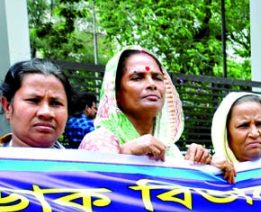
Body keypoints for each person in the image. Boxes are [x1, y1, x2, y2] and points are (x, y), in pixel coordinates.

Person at [79, 47, 210, 164]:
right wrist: (126, 152)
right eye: (137, 77)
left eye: (157, 78)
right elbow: (98, 184)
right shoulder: (98, 140)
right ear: (115, 93)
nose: (151, 84)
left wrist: (206, 167)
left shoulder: (171, 152)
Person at [210, 93, 261, 183]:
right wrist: (207, 169)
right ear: (225, 133)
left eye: (260, 124)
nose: (254, 133)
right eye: (244, 125)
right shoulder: (213, 173)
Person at [1, 58, 73, 149]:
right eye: (33, 100)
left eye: (55, 103)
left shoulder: (81, 162)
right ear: (7, 107)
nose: (46, 112)